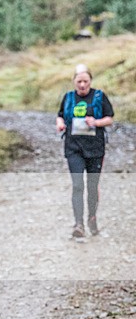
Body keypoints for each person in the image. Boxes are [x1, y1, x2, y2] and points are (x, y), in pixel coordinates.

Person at [56, 64, 114, 238]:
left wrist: (96, 123)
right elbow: (60, 115)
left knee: (92, 186)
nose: (82, 85)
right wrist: (59, 123)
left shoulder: (99, 96)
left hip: (95, 148)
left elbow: (109, 119)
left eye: (85, 82)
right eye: (79, 81)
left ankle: (92, 218)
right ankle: (78, 224)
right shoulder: (68, 97)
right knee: (77, 185)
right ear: (74, 81)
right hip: (73, 147)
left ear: (90, 81)